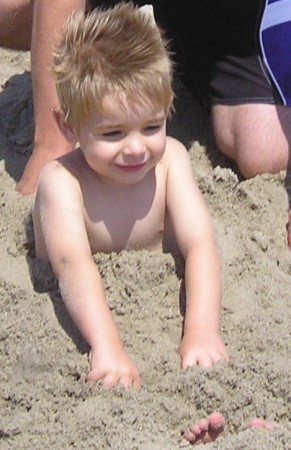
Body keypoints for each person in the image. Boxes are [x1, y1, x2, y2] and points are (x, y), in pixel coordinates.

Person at [32, 2, 229, 389]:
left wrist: (202, 330)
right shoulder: (62, 182)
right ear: (69, 126)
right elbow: (71, 266)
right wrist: (108, 345)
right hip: (94, 297)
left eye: (152, 126)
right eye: (113, 133)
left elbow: (201, 244)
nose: (136, 148)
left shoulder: (171, 159)